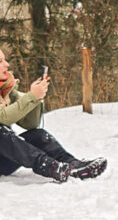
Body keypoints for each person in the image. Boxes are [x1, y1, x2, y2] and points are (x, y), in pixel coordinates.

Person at [0, 49, 107, 182]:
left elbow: (29, 124)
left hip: (3, 160)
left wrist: (36, 98)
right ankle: (48, 166)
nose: (7, 65)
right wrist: (31, 96)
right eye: (0, 61)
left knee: (37, 135)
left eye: (4, 59)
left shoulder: (6, 88)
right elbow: (2, 117)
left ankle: (72, 165)